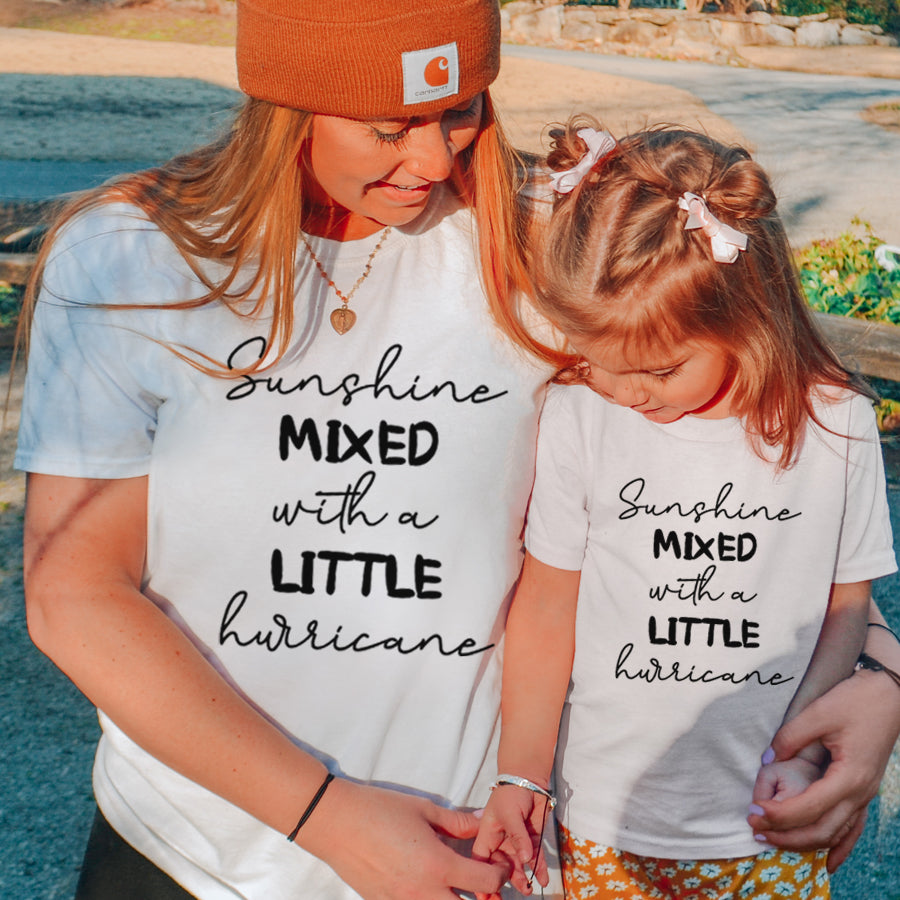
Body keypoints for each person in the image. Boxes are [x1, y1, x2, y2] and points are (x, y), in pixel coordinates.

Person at [12, 2, 900, 895]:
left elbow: (737, 499)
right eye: (390, 126)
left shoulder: (544, 241)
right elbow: (75, 593)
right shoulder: (132, 259)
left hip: (475, 856)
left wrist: (878, 677)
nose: (436, 161)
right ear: (285, 101)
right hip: (190, 856)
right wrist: (325, 815)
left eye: (464, 109)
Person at [471, 121, 900, 900]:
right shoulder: (581, 414)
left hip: (766, 827)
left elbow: (846, 609)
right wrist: (520, 778)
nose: (625, 390)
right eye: (595, 360)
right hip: (601, 823)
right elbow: (547, 607)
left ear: (747, 311)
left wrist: (800, 752)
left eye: (658, 369)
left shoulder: (836, 423)